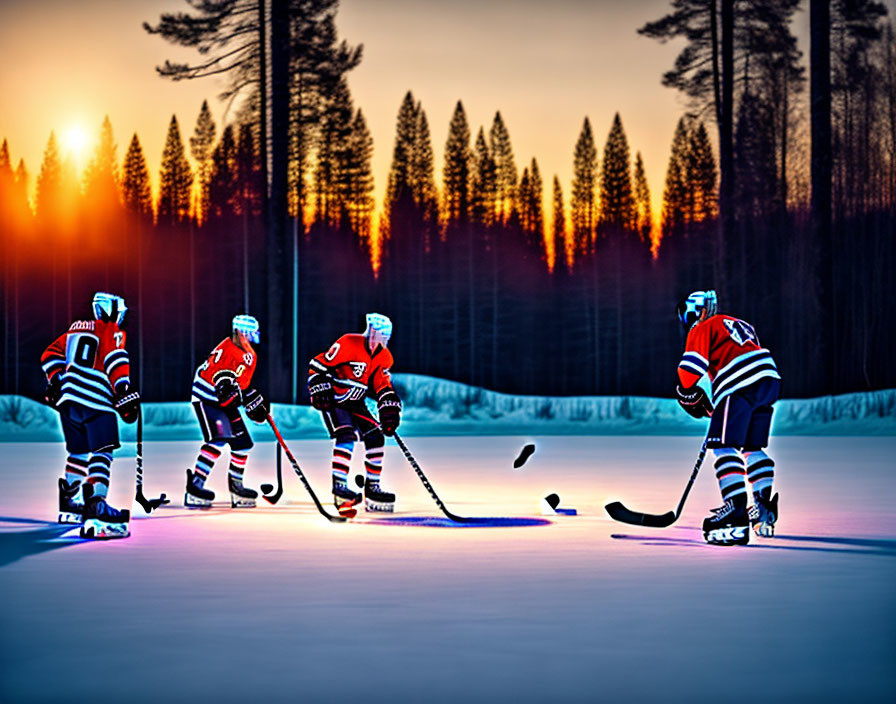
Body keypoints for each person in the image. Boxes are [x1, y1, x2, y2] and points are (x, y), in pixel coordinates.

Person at [675, 290, 782, 545]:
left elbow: (689, 372)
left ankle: (734, 511)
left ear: (696, 310)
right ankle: (763, 509)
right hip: (768, 381)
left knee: (723, 446)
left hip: (739, 384)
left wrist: (685, 392)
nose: (687, 322)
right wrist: (715, 407)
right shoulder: (739, 324)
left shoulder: (702, 327)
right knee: (752, 447)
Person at [40, 292, 139, 539]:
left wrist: (56, 380)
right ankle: (97, 504)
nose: (122, 317)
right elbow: (114, 358)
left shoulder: (76, 328)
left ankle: (70, 503)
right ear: (111, 310)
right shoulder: (112, 329)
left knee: (78, 451)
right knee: (102, 452)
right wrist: (123, 389)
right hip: (97, 400)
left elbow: (49, 354)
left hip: (69, 401)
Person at [307, 313, 402, 513]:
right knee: (346, 435)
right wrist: (317, 383)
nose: (383, 338)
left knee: (376, 436)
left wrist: (389, 404)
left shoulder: (385, 357)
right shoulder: (348, 342)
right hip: (336, 399)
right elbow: (319, 364)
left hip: (356, 401)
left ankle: (373, 488)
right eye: (380, 333)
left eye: (387, 334)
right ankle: (340, 486)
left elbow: (381, 384)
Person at [187, 315, 268, 508]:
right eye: (251, 333)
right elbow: (222, 381)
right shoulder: (227, 351)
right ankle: (195, 486)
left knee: (243, 443)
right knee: (218, 439)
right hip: (207, 399)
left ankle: (236, 487)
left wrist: (251, 399)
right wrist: (233, 393)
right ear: (242, 333)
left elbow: (240, 385)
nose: (254, 337)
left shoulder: (248, 354)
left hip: (222, 402)